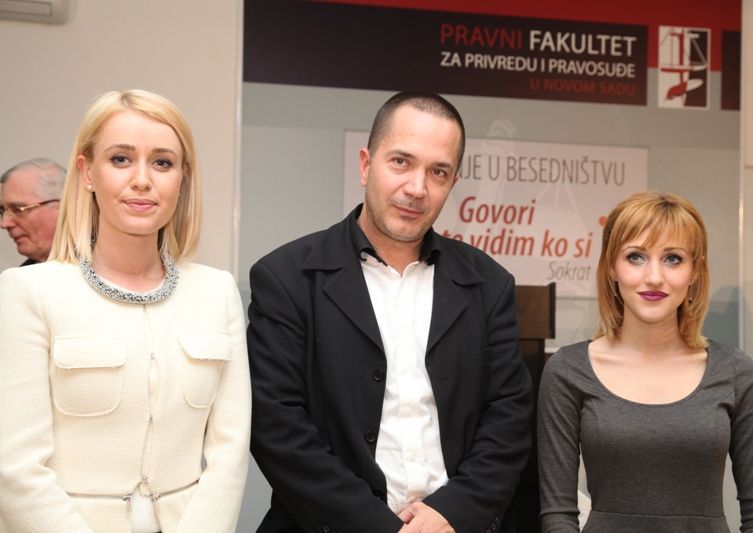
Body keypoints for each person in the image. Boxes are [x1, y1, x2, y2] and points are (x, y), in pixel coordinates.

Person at [247, 91, 533, 533]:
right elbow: (277, 426)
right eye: (401, 162)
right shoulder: (287, 279)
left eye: (438, 172)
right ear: (366, 165)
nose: (417, 188)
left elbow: (509, 417)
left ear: (453, 182)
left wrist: (452, 512)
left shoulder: (489, 284)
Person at [0, 90, 251, 533]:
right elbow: (15, 466)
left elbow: (229, 453)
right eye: (120, 159)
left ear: (182, 178)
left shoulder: (217, 292)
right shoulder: (28, 292)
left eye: (162, 162)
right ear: (87, 172)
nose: (142, 180)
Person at [537, 191, 753, 532]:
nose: (654, 277)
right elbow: (557, 515)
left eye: (673, 259)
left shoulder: (737, 373)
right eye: (635, 257)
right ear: (612, 267)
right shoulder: (568, 370)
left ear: (695, 271)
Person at [0, 157, 66, 266]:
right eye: (2, 211)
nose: (4, 224)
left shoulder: (94, 269)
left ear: (63, 207)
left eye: (17, 209)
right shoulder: (20, 275)